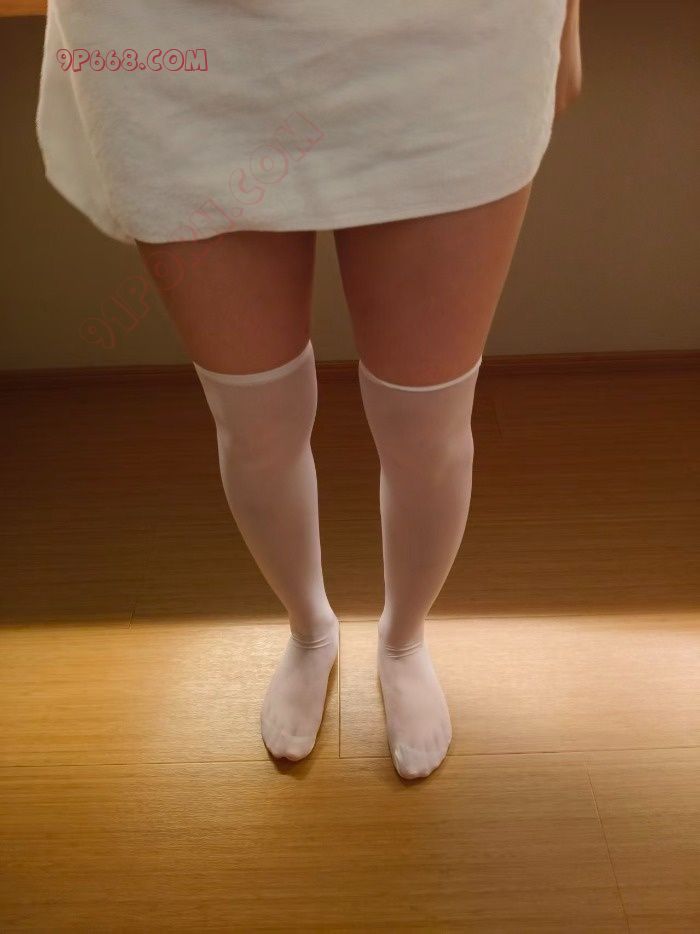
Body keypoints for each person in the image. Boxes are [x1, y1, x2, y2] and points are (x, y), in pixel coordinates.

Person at [36, 0, 582, 779]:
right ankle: (309, 627)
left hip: (456, 27)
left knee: (427, 427)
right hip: (173, 30)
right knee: (253, 422)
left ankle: (404, 638)